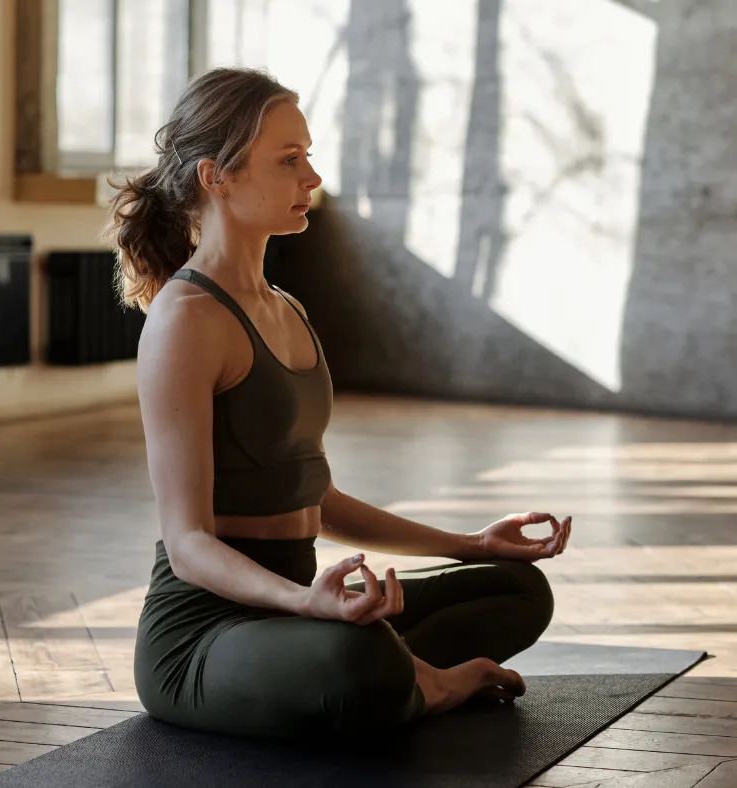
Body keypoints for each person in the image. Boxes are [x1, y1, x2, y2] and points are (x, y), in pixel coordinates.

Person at [103, 67, 571, 740]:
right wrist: (305, 603)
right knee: (361, 657)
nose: (312, 178)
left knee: (515, 587)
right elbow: (188, 546)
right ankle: (427, 684)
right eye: (290, 160)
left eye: (309, 157)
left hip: (298, 614)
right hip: (204, 638)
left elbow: (313, 500)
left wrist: (472, 542)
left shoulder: (285, 309)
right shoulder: (186, 320)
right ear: (217, 177)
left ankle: (394, 673)